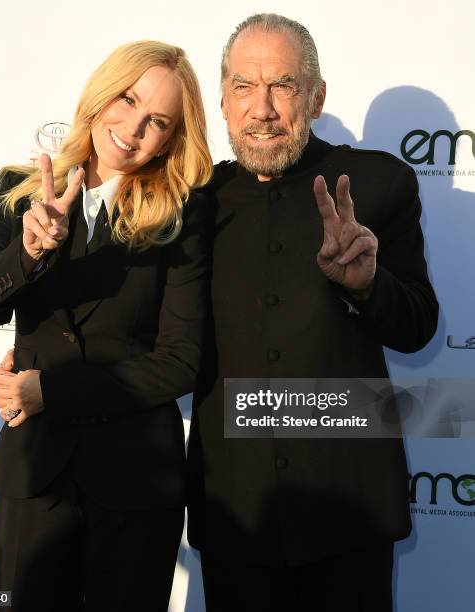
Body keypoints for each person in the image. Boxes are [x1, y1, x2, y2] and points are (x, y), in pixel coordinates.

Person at [184, 14, 438, 612]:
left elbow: (419, 324)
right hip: (235, 512)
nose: (262, 108)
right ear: (222, 99)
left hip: (349, 514)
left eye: (284, 86)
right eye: (244, 87)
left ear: (316, 96)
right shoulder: (195, 202)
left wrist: (369, 286)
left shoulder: (378, 183)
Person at [0, 40, 212, 612]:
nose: (133, 127)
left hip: (138, 481)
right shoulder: (19, 189)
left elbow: (179, 361)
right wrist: (26, 254)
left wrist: (49, 391)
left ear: (170, 138)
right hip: (35, 473)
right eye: (127, 99)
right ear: (100, 96)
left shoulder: (181, 215)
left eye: (158, 121)